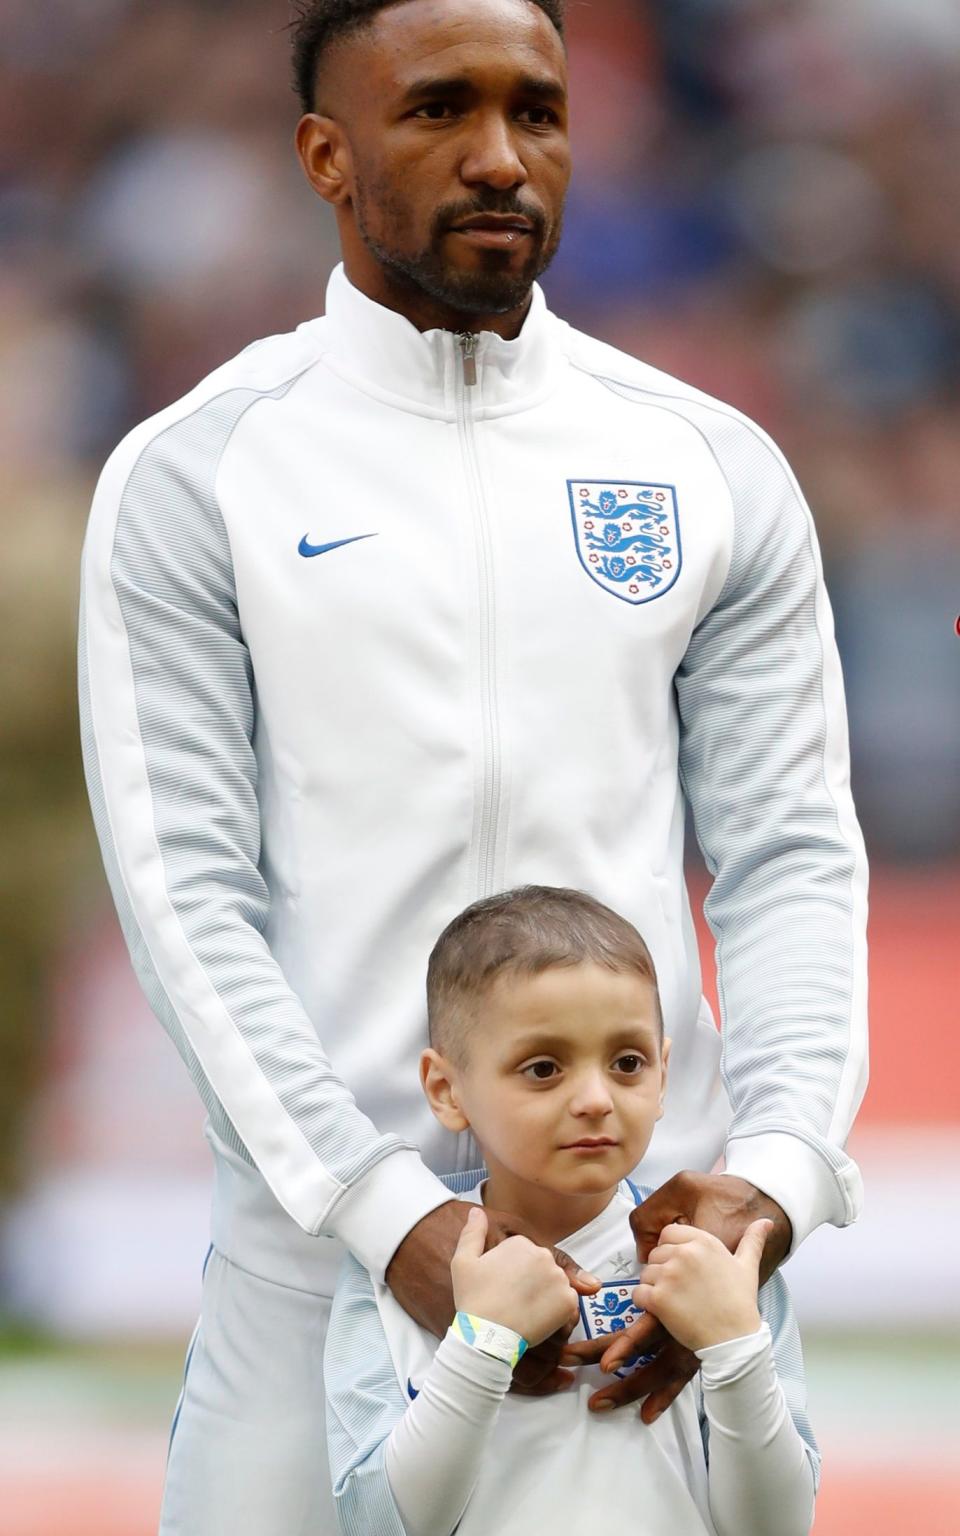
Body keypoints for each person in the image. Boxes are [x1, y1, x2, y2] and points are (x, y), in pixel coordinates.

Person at [78, 0, 867, 1531]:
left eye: (539, 111)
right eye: (440, 109)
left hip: (648, 1282)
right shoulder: (201, 471)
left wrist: (771, 1179)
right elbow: (186, 895)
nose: (502, 157)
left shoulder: (704, 460)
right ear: (326, 152)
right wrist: (392, 1223)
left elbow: (793, 856)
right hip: (316, 1269)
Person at [325, 885, 819, 1536]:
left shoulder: (717, 1258)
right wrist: (482, 1342)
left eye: (627, 1062)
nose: (594, 1098)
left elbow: (778, 1527)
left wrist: (734, 1348)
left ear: (663, 1075)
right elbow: (375, 1523)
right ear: (447, 1090)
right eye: (543, 1068)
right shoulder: (395, 1270)